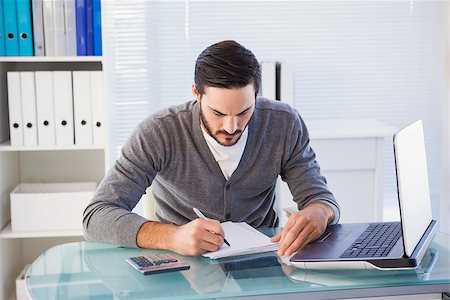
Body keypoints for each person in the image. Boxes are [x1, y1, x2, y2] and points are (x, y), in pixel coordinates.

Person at [83, 40, 340, 257]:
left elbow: (320, 199)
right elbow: (96, 216)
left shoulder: (284, 124)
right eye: (218, 113)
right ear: (197, 93)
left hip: (260, 265)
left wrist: (320, 212)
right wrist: (171, 237)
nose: (231, 126)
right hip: (182, 266)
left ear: (257, 95)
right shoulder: (158, 132)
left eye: (244, 112)